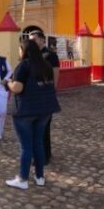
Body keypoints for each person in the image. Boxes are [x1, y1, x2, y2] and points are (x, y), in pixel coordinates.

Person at [5, 40, 61, 190]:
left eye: (20, 49)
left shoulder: (23, 65)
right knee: (38, 143)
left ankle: (23, 179)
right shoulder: (46, 65)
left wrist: (8, 83)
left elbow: (17, 88)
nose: (19, 52)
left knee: (26, 146)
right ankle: (39, 177)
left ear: (24, 50)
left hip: (26, 111)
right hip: (45, 110)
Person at [28, 30, 59, 165]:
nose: (32, 42)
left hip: (46, 95)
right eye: (30, 40)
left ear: (42, 40)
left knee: (44, 126)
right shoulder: (30, 55)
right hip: (33, 95)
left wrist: (52, 92)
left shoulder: (51, 56)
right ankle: (40, 153)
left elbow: (55, 75)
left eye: (34, 39)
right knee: (34, 126)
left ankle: (45, 155)